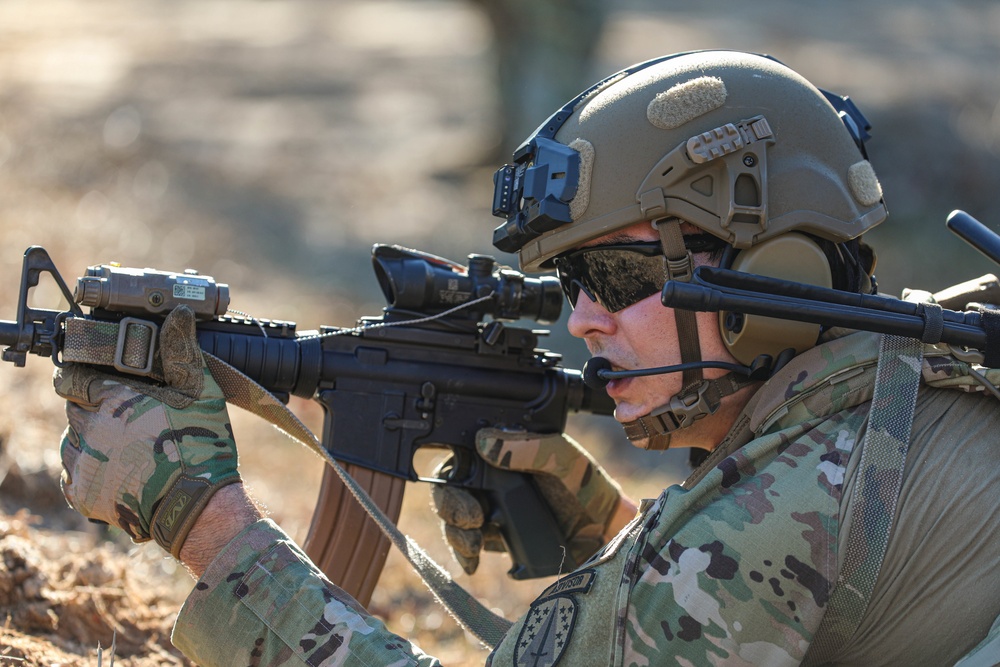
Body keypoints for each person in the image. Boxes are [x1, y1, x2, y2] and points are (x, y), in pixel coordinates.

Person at [53, 51, 1000, 666]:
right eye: (571, 281)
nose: (583, 320)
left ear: (772, 265)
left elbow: (738, 570)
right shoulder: (908, 372)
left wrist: (207, 524)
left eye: (618, 273)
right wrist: (612, 532)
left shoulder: (768, 519)